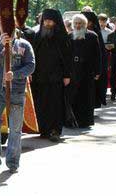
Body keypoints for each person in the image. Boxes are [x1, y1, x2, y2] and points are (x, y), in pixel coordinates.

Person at [0, 25, 35, 174]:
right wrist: (0, 44)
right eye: (4, 28)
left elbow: (31, 65)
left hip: (17, 91)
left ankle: (12, 162)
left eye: (10, 28)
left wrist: (16, 74)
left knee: (15, 129)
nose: (8, 31)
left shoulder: (24, 45)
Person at [31, 8, 72, 142]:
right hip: (40, 76)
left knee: (55, 104)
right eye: (45, 21)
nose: (47, 24)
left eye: (50, 21)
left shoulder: (62, 37)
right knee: (42, 102)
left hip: (56, 77)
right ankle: (43, 129)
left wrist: (67, 75)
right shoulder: (38, 36)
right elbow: (33, 56)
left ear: (55, 22)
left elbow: (67, 58)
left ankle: (55, 130)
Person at [68, 14, 101, 128]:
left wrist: (97, 71)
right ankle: (72, 121)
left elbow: (97, 55)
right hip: (73, 70)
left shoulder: (92, 36)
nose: (78, 26)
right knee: (73, 96)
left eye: (80, 23)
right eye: (76, 23)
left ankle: (85, 121)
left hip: (87, 70)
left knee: (86, 96)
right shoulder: (69, 36)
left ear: (85, 25)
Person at [82, 11, 107, 106]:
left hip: (92, 67)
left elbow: (100, 54)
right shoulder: (77, 32)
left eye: (89, 22)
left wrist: (98, 70)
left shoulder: (95, 34)